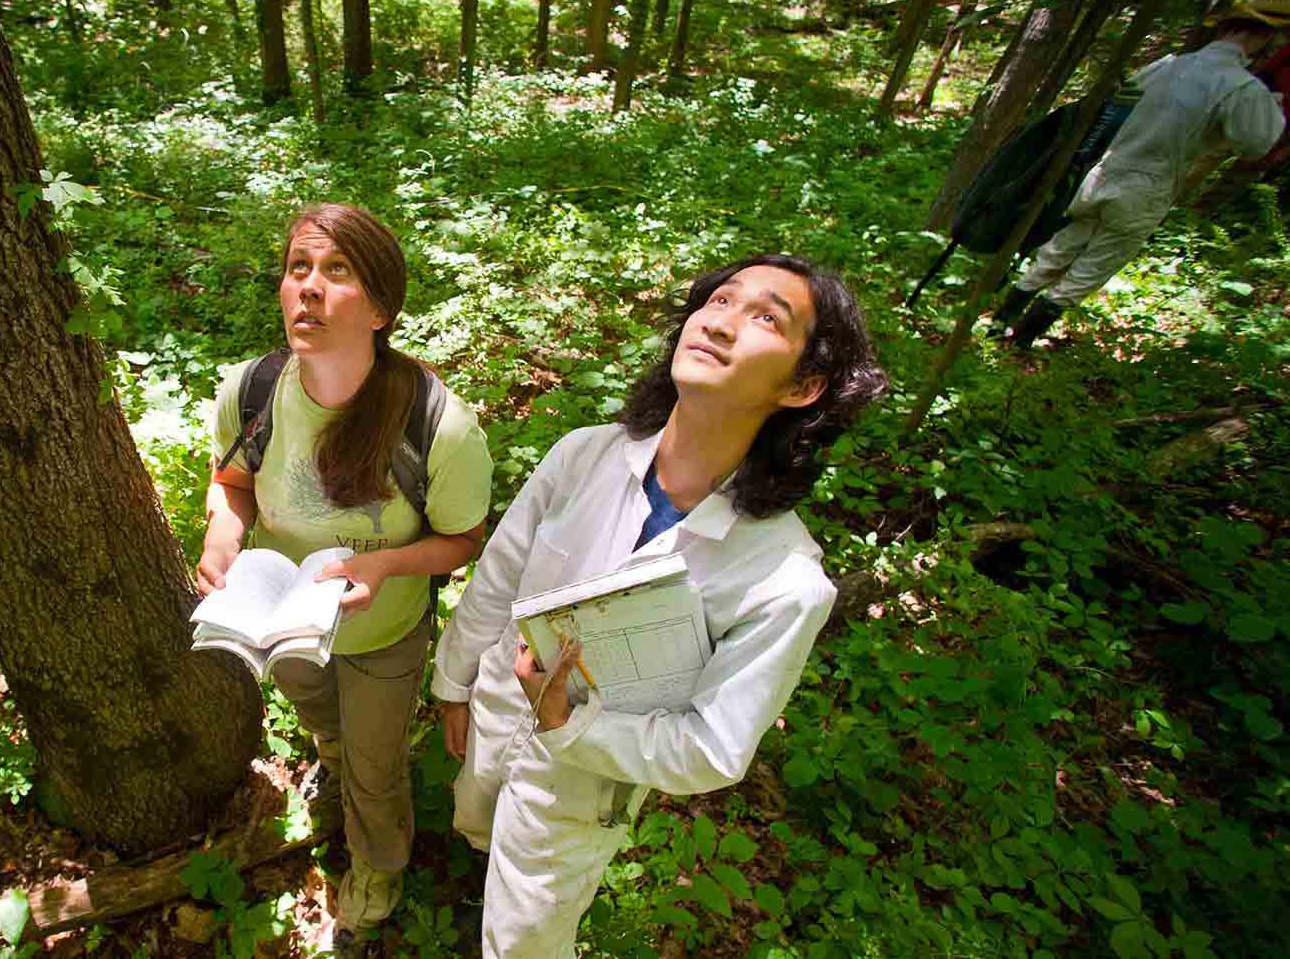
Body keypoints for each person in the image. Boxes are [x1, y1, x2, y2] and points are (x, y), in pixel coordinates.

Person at [433, 255, 888, 958]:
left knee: (525, 940)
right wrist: (453, 680)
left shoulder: (783, 580)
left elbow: (713, 748)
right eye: (720, 299)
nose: (722, 320)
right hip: (495, 713)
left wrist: (569, 726)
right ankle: (476, 884)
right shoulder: (584, 456)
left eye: (766, 316)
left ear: (804, 385)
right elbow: (499, 577)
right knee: (477, 821)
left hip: (581, 791)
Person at [196, 204, 492, 944]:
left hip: (382, 630)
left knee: (377, 768)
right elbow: (231, 479)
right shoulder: (253, 390)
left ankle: (379, 867)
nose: (310, 289)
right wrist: (224, 531)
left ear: (381, 308)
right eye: (299, 269)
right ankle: (330, 748)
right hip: (283, 624)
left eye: (337, 271)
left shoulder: (436, 425)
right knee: (320, 715)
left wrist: (389, 563)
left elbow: (464, 537)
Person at [991, 0, 1290, 348]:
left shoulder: (1167, 66)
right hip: (1147, 187)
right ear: (1265, 38)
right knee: (1092, 265)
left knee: (1063, 246)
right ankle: (1018, 340)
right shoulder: (1241, 88)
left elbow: (1121, 101)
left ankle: (1000, 322)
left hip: (1105, 171)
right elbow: (1256, 144)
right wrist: (1271, 103)